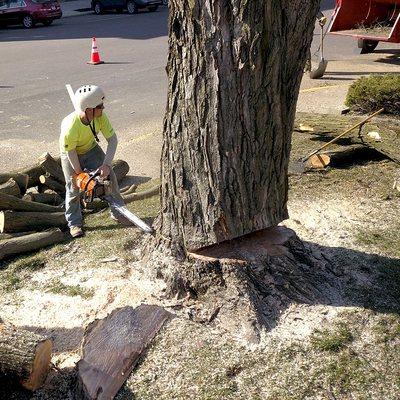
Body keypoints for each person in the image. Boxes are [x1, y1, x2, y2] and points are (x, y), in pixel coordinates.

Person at [60, 84, 125, 238]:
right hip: (71, 153)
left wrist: (106, 165)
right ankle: (74, 223)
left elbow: (113, 140)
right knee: (73, 187)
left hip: (90, 148)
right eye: (100, 106)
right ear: (89, 109)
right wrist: (80, 175)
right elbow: (70, 151)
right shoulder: (70, 127)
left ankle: (119, 212)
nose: (103, 108)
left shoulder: (100, 117)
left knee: (111, 178)